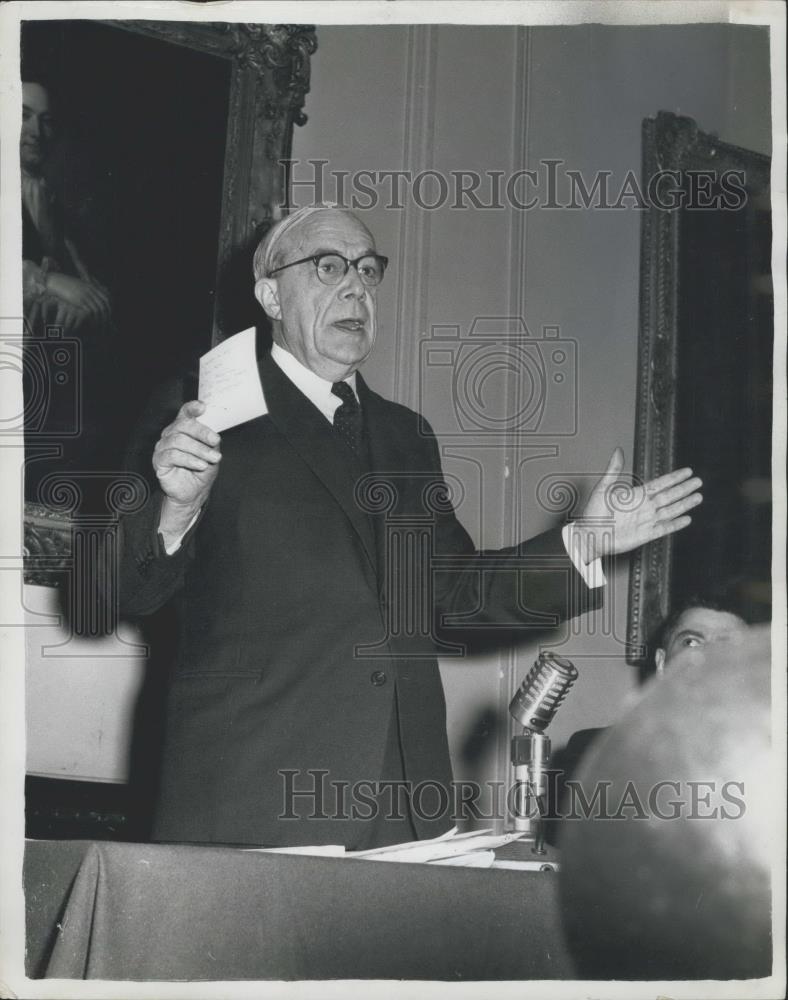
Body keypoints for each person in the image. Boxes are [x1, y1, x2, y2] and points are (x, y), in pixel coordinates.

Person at [117, 205, 703, 849]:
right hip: (252, 803)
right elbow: (122, 588)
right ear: (269, 296)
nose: (355, 288)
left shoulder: (405, 435)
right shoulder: (198, 408)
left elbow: (454, 593)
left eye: (368, 271)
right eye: (328, 267)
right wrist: (175, 508)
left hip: (402, 811)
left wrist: (588, 540)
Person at [21, 78, 114, 502]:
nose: (35, 131)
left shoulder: (49, 198)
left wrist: (83, 300)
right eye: (22, 115)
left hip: (46, 379)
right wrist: (49, 283)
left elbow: (90, 290)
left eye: (45, 120)